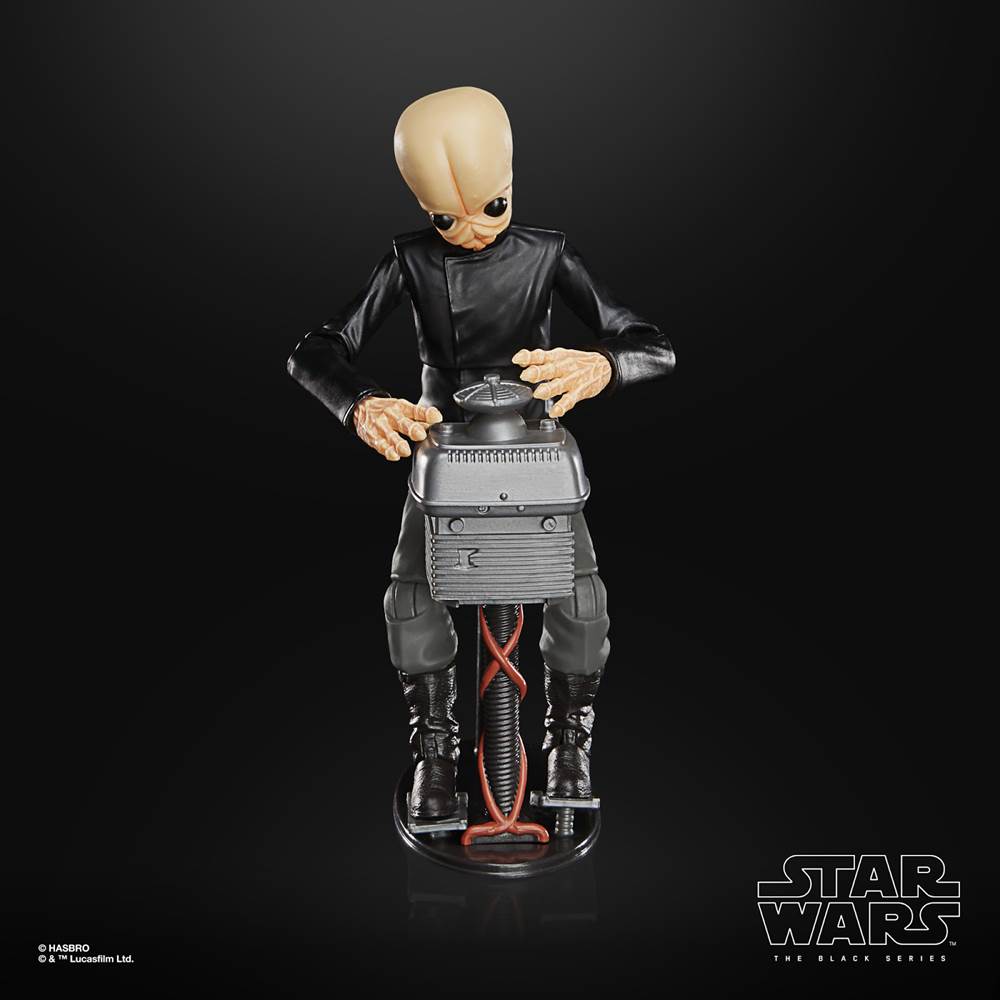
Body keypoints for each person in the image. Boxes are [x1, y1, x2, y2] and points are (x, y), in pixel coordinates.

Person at [287, 87, 675, 818]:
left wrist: (604, 364)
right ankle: (434, 749)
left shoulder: (547, 253)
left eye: (491, 208)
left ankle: (568, 741)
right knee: (411, 598)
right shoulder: (408, 261)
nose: (469, 232)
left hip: (536, 444)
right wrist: (359, 401)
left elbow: (653, 343)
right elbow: (317, 348)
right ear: (423, 209)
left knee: (581, 599)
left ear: (511, 180)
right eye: (446, 218)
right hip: (442, 446)